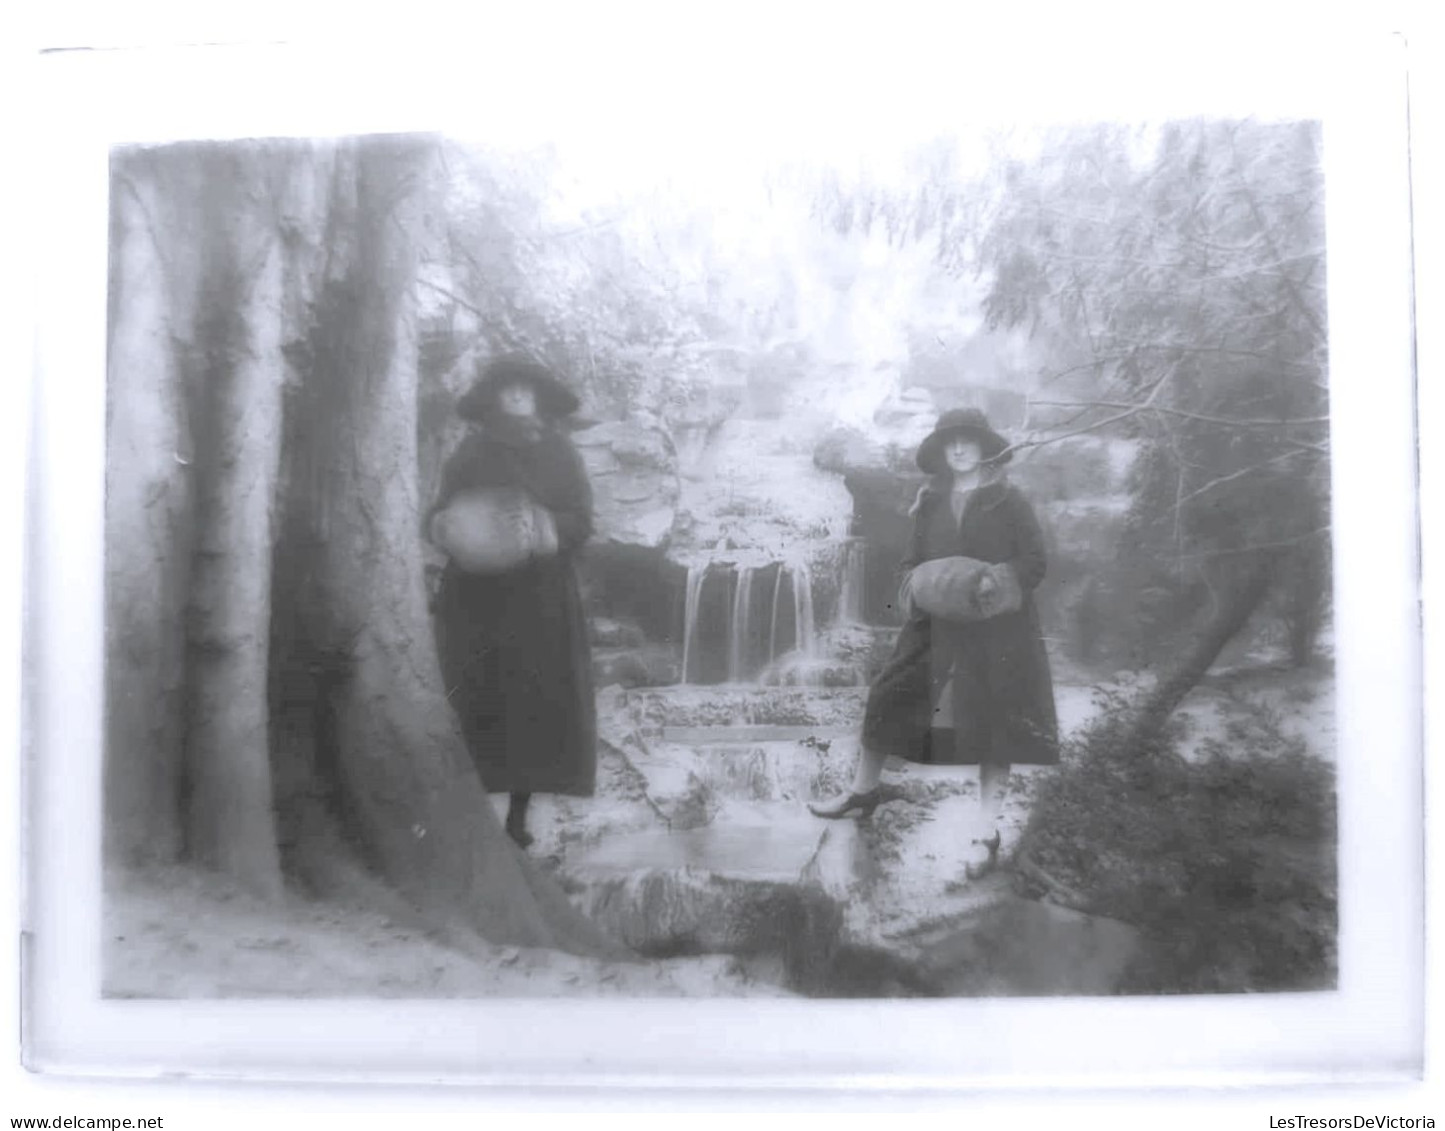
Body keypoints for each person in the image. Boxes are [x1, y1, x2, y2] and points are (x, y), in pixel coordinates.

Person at [809, 407, 1059, 879]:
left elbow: (1036, 563)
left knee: (993, 719)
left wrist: (996, 582)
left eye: (968, 440)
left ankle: (986, 832)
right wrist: (914, 586)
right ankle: (863, 793)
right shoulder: (929, 501)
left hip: (997, 626)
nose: (960, 448)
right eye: (951, 441)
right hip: (936, 621)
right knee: (889, 691)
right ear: (942, 451)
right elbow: (910, 561)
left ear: (985, 447)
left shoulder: (1009, 500)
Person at [428, 354, 597, 849]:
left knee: (534, 701)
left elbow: (582, 521)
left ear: (540, 399)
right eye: (510, 389)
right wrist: (449, 527)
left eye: (527, 389)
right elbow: (440, 514)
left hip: (540, 600)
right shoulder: (469, 455)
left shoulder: (562, 455)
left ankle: (518, 816)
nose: (520, 396)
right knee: (479, 695)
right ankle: (473, 810)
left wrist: (544, 527)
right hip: (477, 601)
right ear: (494, 398)